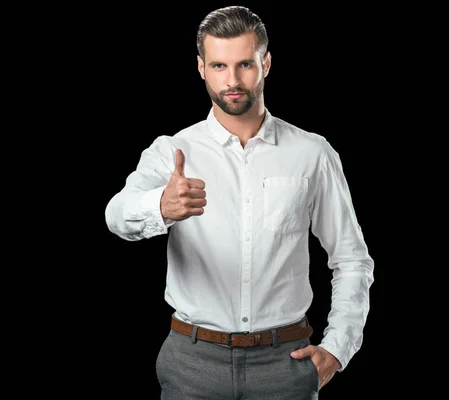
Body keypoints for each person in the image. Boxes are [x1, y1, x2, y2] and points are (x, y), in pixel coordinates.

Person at [104, 5, 374, 399]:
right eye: (218, 66)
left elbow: (352, 259)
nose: (232, 80)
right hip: (191, 363)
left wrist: (338, 348)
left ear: (266, 63)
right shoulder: (172, 150)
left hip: (286, 364)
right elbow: (116, 216)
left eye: (245, 64)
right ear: (201, 68)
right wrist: (160, 206)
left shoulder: (312, 153)